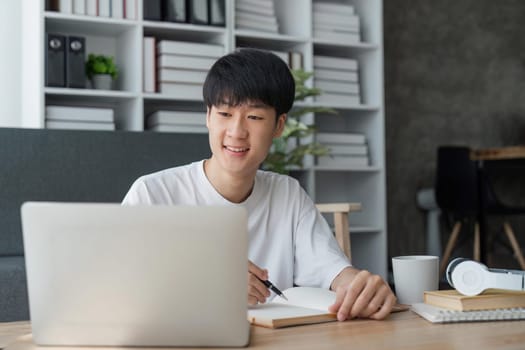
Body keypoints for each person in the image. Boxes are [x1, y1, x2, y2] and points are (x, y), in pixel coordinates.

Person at [122, 48, 396, 320]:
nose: (237, 132)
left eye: (254, 117)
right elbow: (117, 290)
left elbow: (332, 270)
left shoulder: (288, 194)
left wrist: (361, 288)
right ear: (208, 117)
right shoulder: (152, 194)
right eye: (225, 114)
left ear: (278, 126)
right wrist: (205, 283)